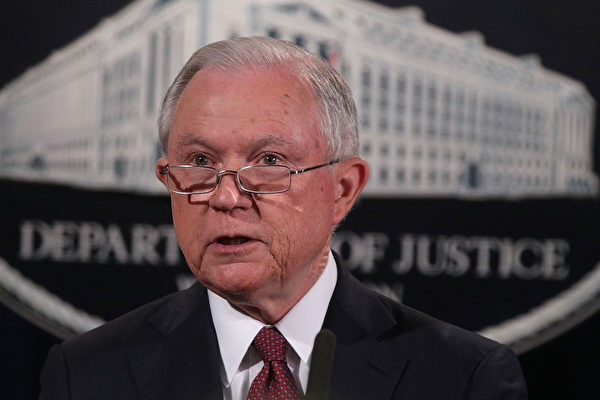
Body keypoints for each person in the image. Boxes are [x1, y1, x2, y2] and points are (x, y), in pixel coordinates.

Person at [39, 36, 527, 400]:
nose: (226, 197)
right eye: (200, 162)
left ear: (342, 190)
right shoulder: (86, 375)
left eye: (269, 161)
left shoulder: (462, 378)